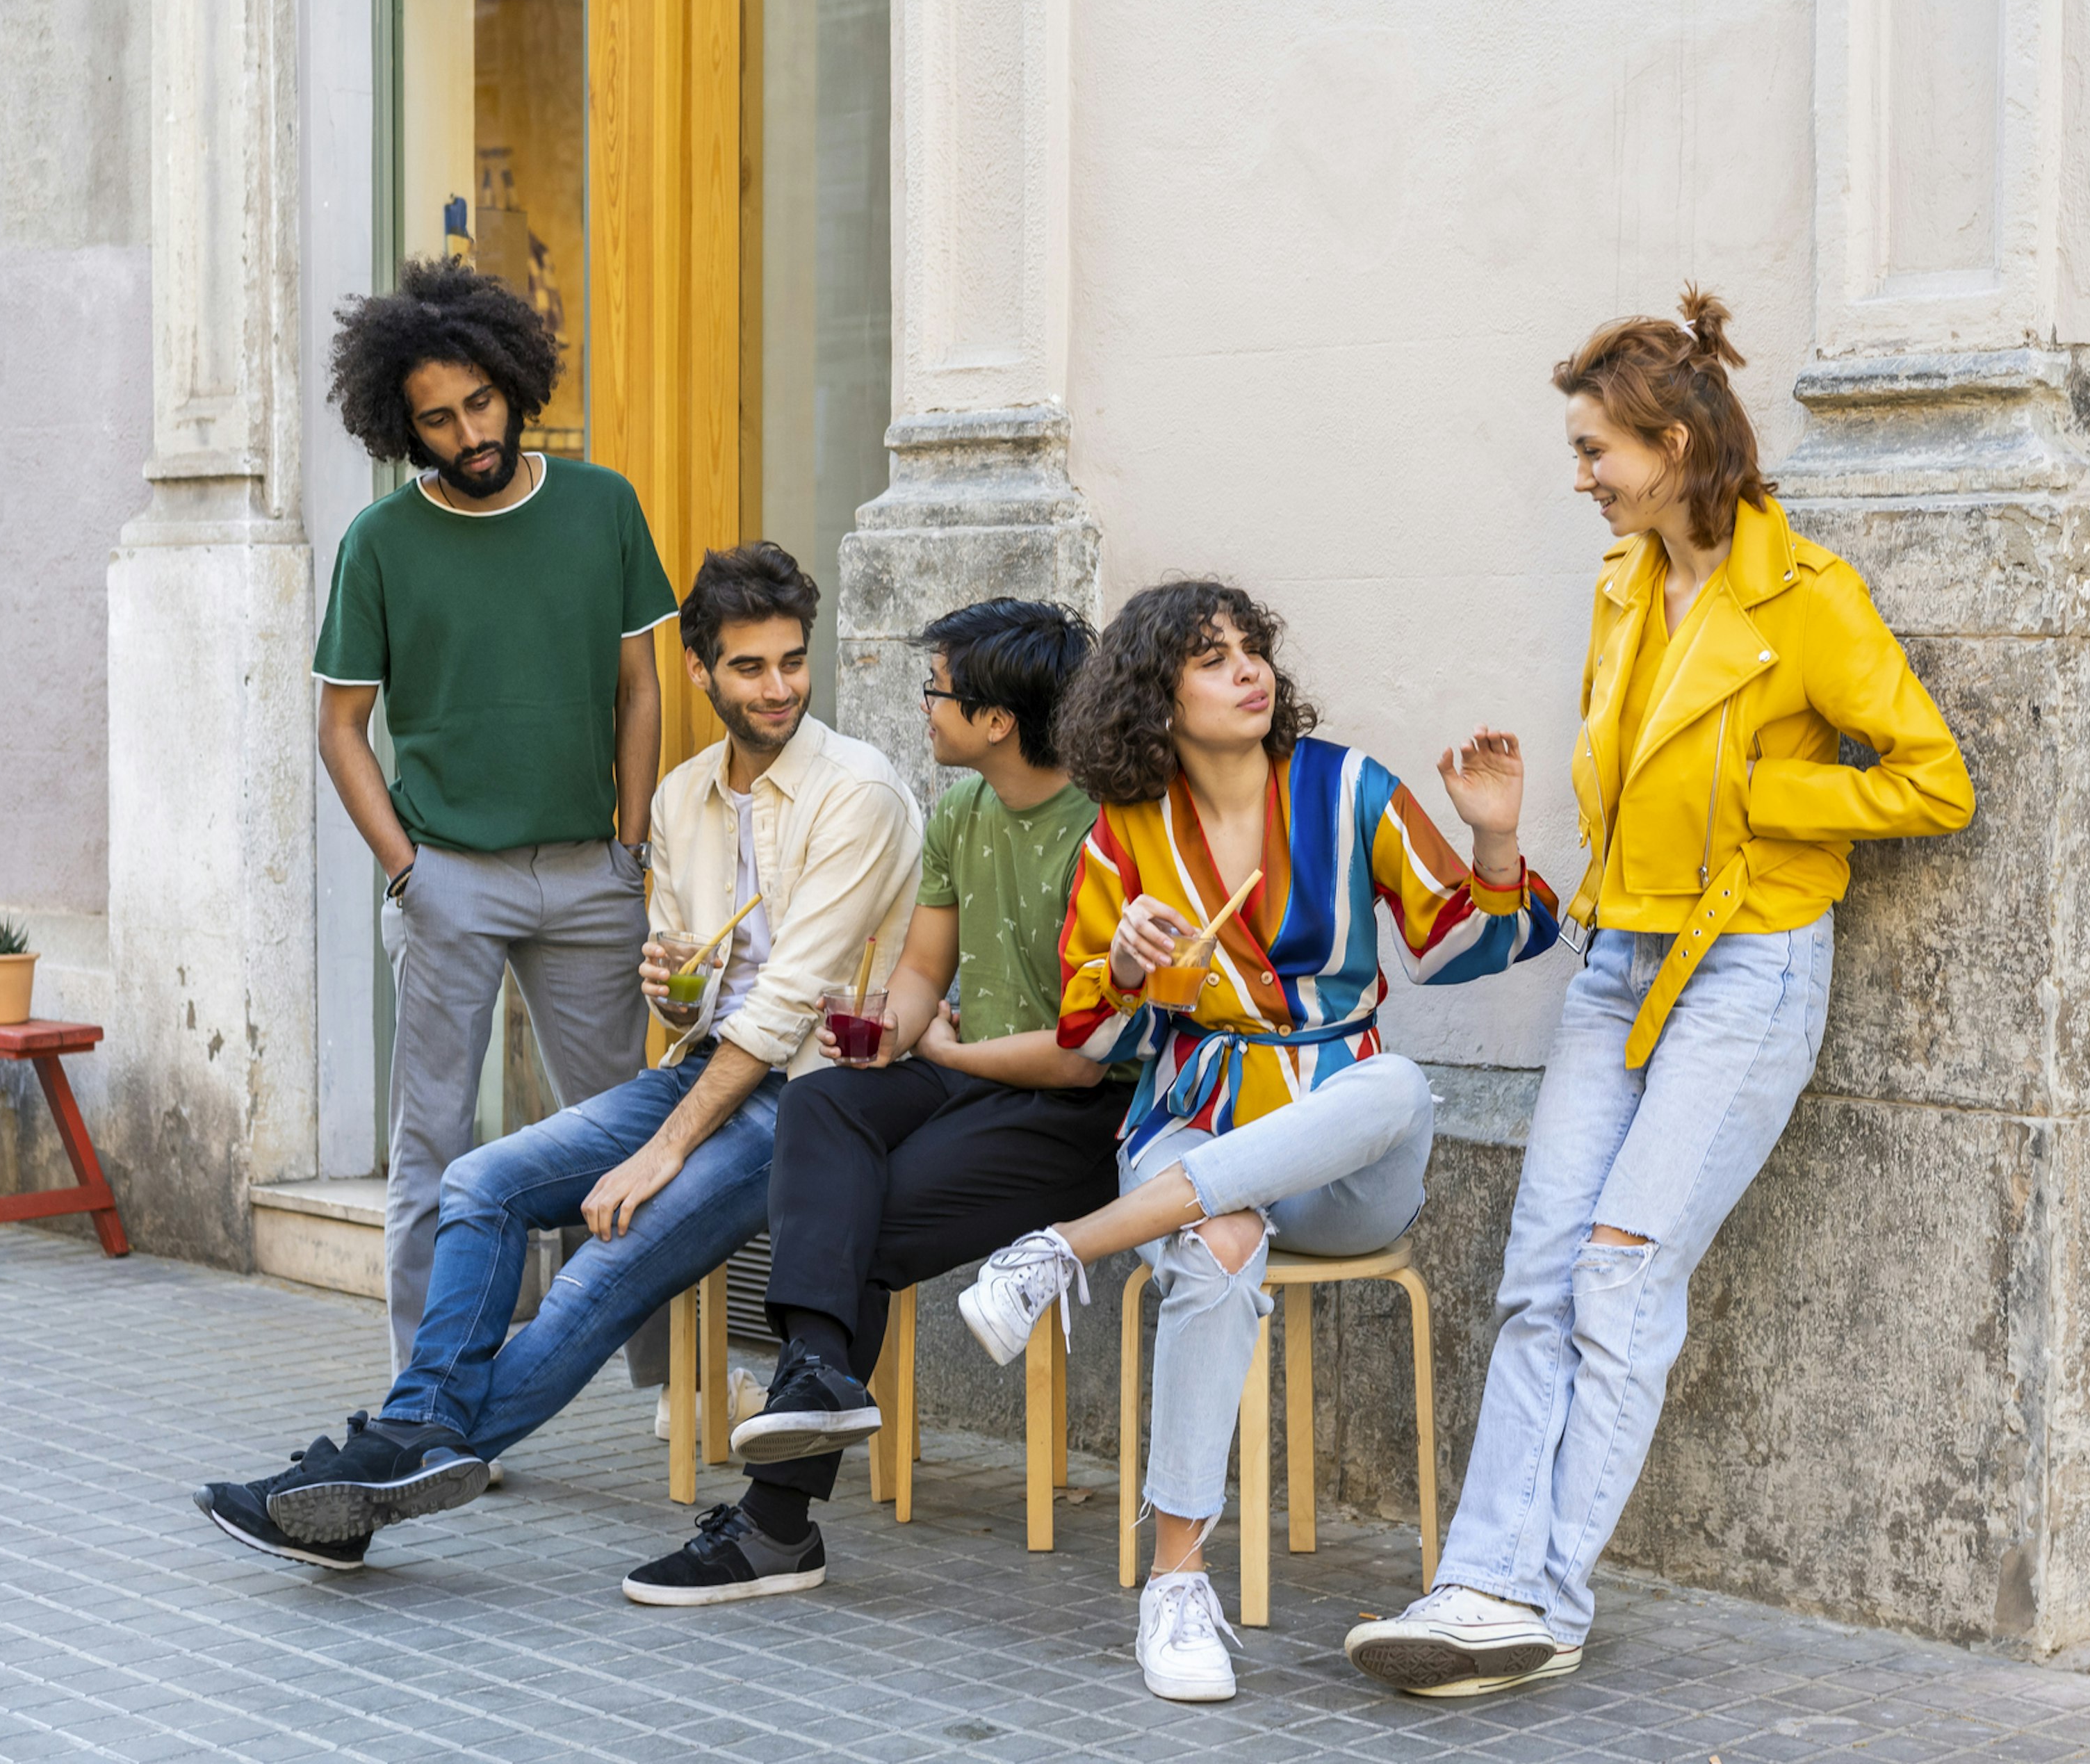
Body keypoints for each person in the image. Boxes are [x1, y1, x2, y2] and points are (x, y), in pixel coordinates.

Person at [1341, 289, 1975, 1697]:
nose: (1580, 479)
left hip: (1747, 968)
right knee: (1538, 1275)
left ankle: (1544, 1602)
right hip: (1619, 957)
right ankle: (1477, 1578)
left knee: (1624, 1271)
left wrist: (1763, 791)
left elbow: (1933, 777)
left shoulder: (1807, 601)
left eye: (1592, 452)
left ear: (1672, 442)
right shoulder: (1627, 588)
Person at [195, 543, 923, 1575]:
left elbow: (788, 1011)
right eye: (752, 667)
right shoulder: (679, 800)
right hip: (709, 1071)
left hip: (813, 1105)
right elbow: (706, 1006)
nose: (780, 689)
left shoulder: (862, 794)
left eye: (794, 662)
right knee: (479, 1181)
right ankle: (416, 1434)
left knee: (599, 1275)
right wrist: (677, 987)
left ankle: (365, 1490)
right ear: (699, 670)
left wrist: (660, 1151)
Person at [953, 579, 1562, 1703]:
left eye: (1252, 649)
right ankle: (1176, 1587)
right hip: (1194, 1108)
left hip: (1346, 1156)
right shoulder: (1122, 839)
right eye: (1210, 657)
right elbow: (1095, 1036)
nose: (1248, 671)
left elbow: (1473, 946)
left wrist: (1495, 832)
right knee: (1219, 1241)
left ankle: (1064, 1250)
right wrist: (1131, 968)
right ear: (1154, 695)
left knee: (1400, 1085)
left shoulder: (1350, 790)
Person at [627, 598, 1134, 1607]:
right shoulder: (960, 812)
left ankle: (776, 1524)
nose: (924, 704)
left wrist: (953, 1045)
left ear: (996, 721)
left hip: (1074, 1114)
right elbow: (920, 978)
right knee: (824, 1100)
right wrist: (884, 1027)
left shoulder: (1107, 833)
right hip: (967, 1068)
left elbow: (1084, 1062)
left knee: (850, 1220)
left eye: (938, 688)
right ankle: (819, 1377)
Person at [312, 255, 672, 1369]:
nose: (468, 432)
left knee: (632, 1135)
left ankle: (665, 1384)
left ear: (515, 384)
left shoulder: (602, 505)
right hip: (449, 879)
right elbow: (340, 727)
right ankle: (429, 1384)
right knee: (433, 1142)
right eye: (437, 421)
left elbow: (642, 687)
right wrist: (407, 868)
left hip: (587, 873)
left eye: (479, 403)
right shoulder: (380, 542)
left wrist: (628, 844)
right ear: (404, 431)